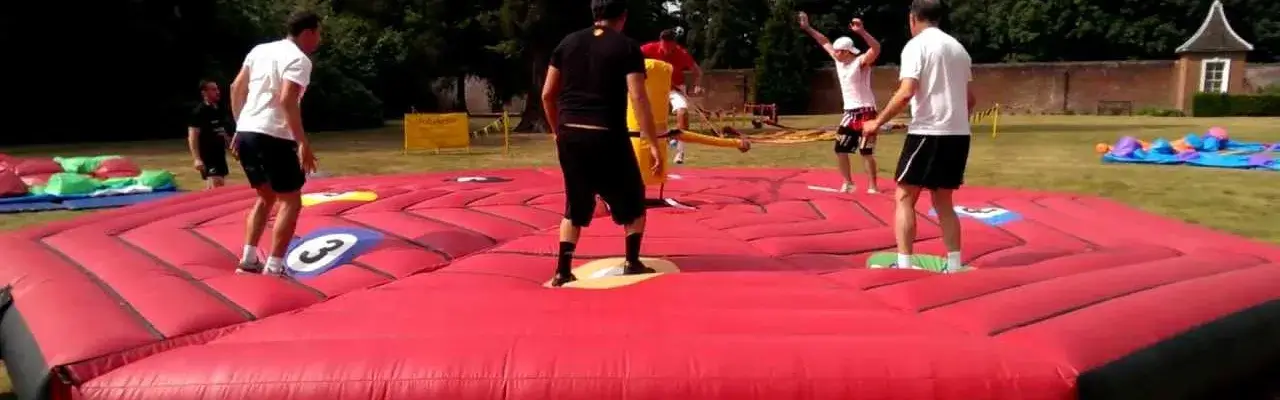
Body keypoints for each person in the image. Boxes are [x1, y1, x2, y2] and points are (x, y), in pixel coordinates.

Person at [541, 0, 662, 287]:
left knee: (575, 201)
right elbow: (638, 96)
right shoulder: (627, 46)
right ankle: (632, 261)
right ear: (623, 17)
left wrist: (558, 130)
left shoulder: (567, 43)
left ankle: (562, 270)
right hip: (606, 131)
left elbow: (547, 94)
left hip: (570, 131)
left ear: (593, 13)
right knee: (633, 196)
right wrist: (652, 142)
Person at [861, 0, 974, 273]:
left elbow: (906, 92)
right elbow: (970, 100)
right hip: (958, 134)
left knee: (904, 196)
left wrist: (876, 122)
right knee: (943, 200)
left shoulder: (916, 46)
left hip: (928, 131)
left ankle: (904, 264)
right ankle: (955, 264)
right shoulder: (959, 49)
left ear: (913, 18)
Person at [228, 10, 323, 275]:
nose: (319, 40)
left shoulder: (260, 50)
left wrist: (240, 125)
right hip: (273, 135)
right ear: (308, 33)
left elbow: (236, 88)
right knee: (291, 201)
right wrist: (302, 142)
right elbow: (287, 99)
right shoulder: (299, 60)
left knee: (265, 196)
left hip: (247, 131)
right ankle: (275, 265)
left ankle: (248, 259)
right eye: (319, 33)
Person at [798, 12, 882, 194]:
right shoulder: (838, 62)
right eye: (834, 51)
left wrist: (862, 32)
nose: (834, 54)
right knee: (840, 148)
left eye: (838, 51)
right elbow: (823, 41)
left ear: (847, 52)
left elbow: (876, 49)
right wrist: (807, 27)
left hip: (867, 112)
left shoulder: (860, 62)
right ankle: (848, 182)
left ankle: (873, 186)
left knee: (866, 151)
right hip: (849, 113)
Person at [640, 29, 703, 164]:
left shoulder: (682, 53)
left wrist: (697, 85)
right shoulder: (650, 48)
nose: (667, 50)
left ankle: (680, 152)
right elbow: (632, 55)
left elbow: (697, 71)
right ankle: (648, 150)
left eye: (670, 47)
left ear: (675, 44)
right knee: (647, 118)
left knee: (683, 112)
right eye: (664, 47)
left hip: (675, 89)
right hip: (654, 88)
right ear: (660, 42)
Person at [188, 80, 234, 189]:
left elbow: (223, 130)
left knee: (215, 186)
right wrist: (197, 158)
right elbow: (192, 136)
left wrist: (230, 144)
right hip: (207, 155)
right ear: (204, 93)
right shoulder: (199, 112)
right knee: (217, 184)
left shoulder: (220, 108)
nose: (218, 92)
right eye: (213, 89)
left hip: (219, 154)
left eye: (217, 89)